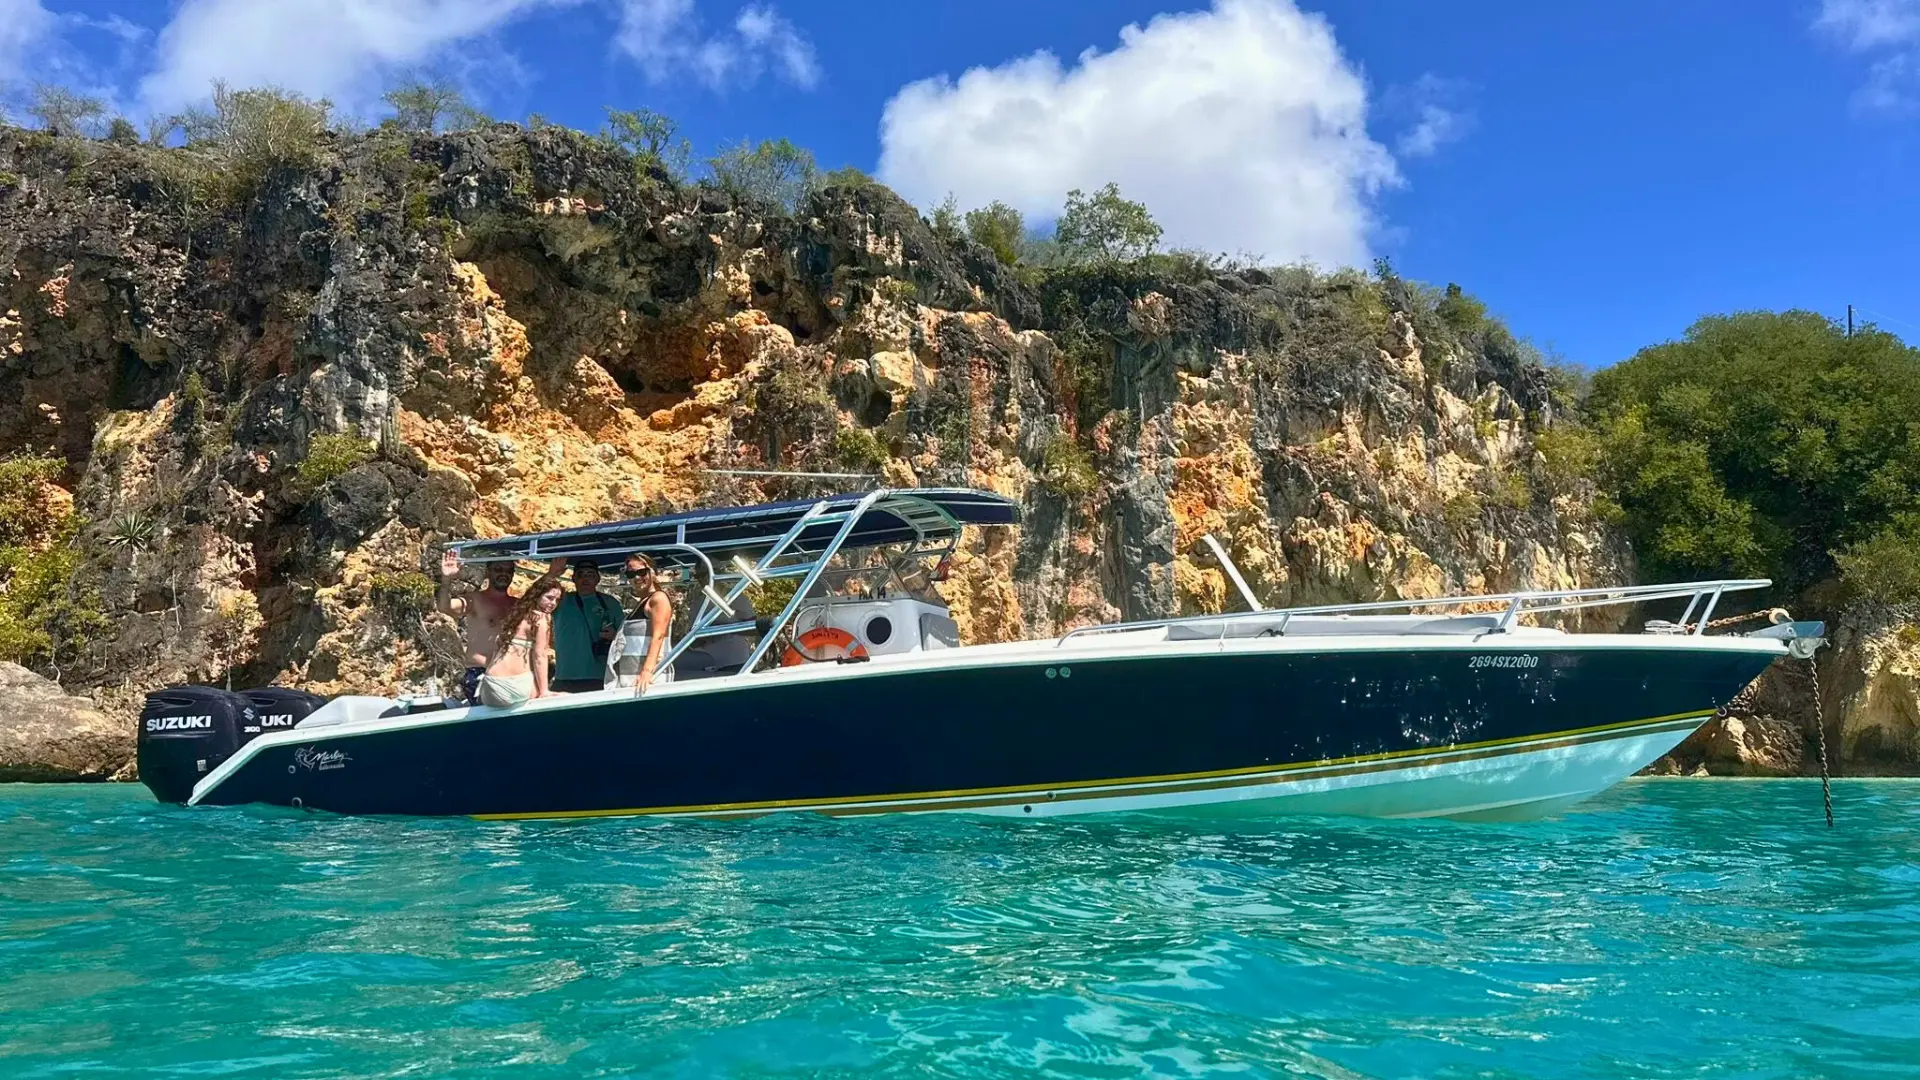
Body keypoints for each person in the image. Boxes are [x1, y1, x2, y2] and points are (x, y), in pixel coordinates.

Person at [436, 549, 566, 704]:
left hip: (511, 678)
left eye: (508, 570)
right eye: (498, 569)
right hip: (479, 673)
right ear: (488, 572)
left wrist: (550, 575)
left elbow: (535, 594)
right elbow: (445, 607)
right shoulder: (476, 600)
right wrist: (446, 580)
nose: (503, 574)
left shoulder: (517, 605)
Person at [475, 581, 563, 708]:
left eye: (557, 600)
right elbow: (540, 656)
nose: (553, 603)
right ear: (537, 596)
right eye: (549, 598)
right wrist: (544, 691)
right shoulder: (541, 618)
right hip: (514, 685)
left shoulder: (516, 614)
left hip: (490, 684)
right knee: (551, 696)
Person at [550, 562, 623, 692]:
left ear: (597, 579)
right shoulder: (561, 600)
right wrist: (551, 574)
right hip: (565, 676)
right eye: (581, 574)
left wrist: (614, 636)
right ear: (573, 579)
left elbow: (626, 637)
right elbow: (532, 598)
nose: (586, 578)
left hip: (600, 676)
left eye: (590, 574)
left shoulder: (610, 603)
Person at [611, 552, 674, 695]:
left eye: (642, 572)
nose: (637, 578)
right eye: (631, 574)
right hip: (632, 679)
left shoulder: (658, 598)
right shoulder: (644, 601)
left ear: (653, 573)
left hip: (646, 681)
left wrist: (647, 672)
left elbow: (659, 636)